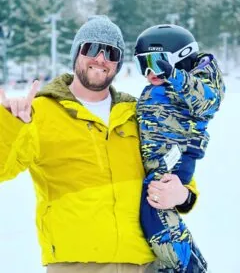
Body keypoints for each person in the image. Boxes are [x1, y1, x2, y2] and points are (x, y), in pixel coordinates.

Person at [0, 15, 199, 273]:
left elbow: (176, 167)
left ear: (118, 64)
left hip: (146, 264)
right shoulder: (39, 112)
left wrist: (182, 194)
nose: (101, 59)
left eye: (111, 52)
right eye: (91, 48)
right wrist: (9, 123)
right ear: (76, 54)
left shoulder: (139, 113)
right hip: (78, 265)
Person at [134, 24, 225, 272]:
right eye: (143, 64)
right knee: (154, 211)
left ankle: (185, 263)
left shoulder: (194, 83)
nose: (150, 71)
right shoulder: (157, 89)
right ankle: (174, 259)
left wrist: (175, 75)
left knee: (153, 210)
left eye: (156, 62)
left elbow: (208, 101)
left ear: (179, 58)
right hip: (158, 161)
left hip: (176, 160)